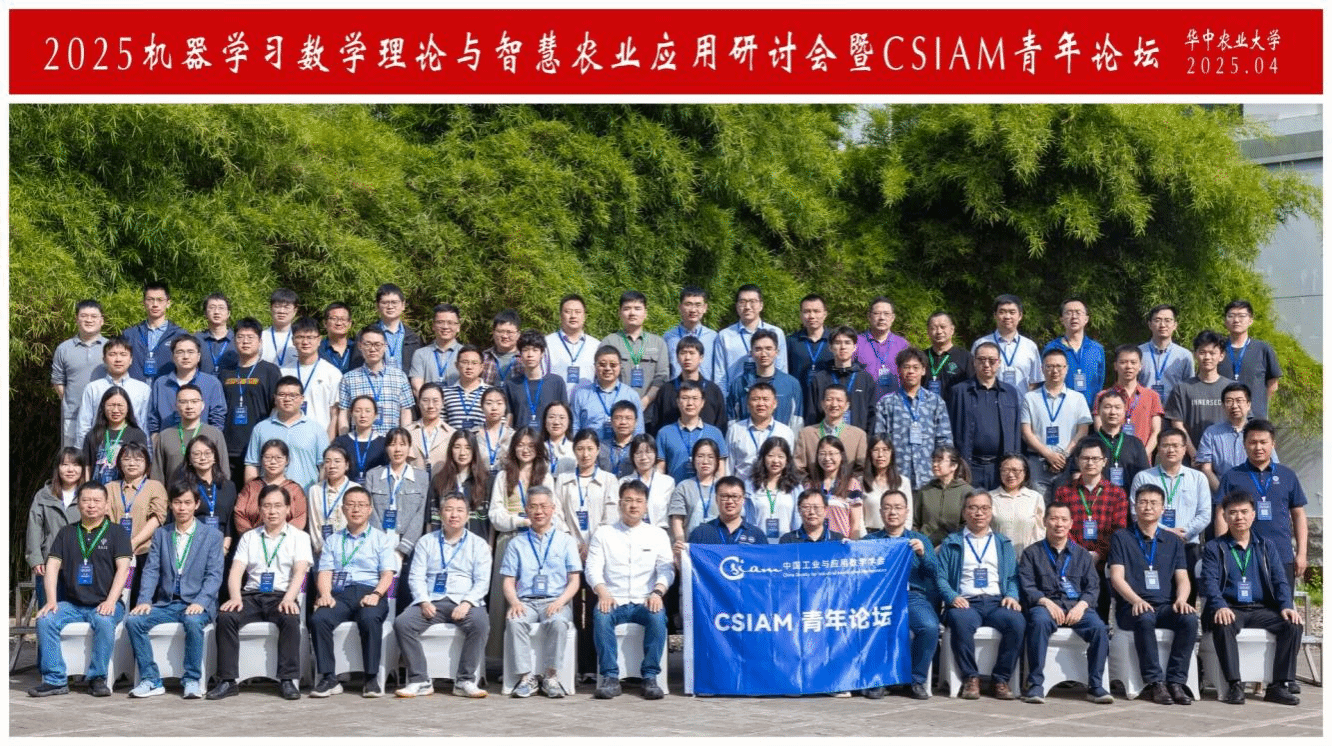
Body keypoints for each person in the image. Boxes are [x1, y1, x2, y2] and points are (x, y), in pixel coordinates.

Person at [206, 484, 313, 701]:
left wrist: (289, 598)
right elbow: (236, 571)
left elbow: (300, 572)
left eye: (277, 506)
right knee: (226, 617)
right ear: (260, 509)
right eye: (267, 506)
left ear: (288, 509)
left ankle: (287, 680)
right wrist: (235, 597)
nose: (272, 511)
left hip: (281, 595)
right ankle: (227, 680)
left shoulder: (299, 537)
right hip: (251, 596)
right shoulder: (249, 537)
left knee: (290, 618)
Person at [28, 481, 132, 698]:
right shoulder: (67, 532)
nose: (91, 505)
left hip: (105, 603)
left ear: (106, 505)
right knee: (45, 620)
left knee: (104, 621)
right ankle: (55, 679)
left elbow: (123, 570)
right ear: (79, 504)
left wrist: (111, 601)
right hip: (73, 604)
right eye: (86, 500)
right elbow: (52, 566)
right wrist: (51, 601)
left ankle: (97, 678)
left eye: (96, 501)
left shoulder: (117, 532)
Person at [1200, 491, 1303, 706]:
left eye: (1244, 512)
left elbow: (1280, 580)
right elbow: (1209, 582)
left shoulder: (1266, 546)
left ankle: (1278, 686)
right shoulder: (1214, 548)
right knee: (1223, 623)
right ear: (1225, 517)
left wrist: (1286, 605)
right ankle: (1234, 685)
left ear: (1253, 515)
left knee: (1292, 624)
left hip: (1260, 609)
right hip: (1230, 608)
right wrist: (1219, 605)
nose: (1239, 517)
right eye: (1233, 513)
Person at [125, 482, 225, 699]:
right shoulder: (162, 534)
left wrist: (201, 601)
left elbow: (214, 575)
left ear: (196, 504)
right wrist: (144, 600)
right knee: (134, 621)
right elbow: (151, 571)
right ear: (170, 505)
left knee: (193, 621)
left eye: (187, 503)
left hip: (197, 603)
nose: (182, 508)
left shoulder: (212, 536)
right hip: (167, 603)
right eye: (177, 503)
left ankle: (191, 679)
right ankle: (151, 679)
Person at [1107, 484, 1199, 706]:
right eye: (1143, 502)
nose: (1147, 507)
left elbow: (1183, 578)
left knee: (1189, 619)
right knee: (1145, 617)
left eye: (1153, 503)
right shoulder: (1121, 537)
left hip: (1165, 606)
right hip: (1131, 607)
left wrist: (1181, 600)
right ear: (1135, 506)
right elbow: (1117, 577)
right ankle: (1155, 682)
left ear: (1162, 508)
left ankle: (1176, 681)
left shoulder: (1173, 541)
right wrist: (1136, 600)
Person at [394, 493, 492, 699]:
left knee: (480, 623)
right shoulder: (426, 542)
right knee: (403, 623)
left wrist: (467, 603)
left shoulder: (479, 544)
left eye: (459, 510)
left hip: (464, 601)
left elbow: (482, 581)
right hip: (432, 601)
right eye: (448, 510)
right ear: (440, 514)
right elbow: (416, 576)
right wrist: (423, 601)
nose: (454, 515)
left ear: (468, 515)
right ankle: (419, 680)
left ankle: (465, 680)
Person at [586, 480, 675, 700]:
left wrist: (658, 592)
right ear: (619, 504)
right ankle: (610, 677)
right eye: (628, 500)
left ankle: (650, 677)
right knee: (601, 616)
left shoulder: (658, 534)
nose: (633, 505)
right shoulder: (604, 533)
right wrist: (602, 591)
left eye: (638, 501)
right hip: (613, 598)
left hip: (645, 599)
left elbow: (667, 569)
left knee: (657, 617)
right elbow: (592, 568)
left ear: (646, 505)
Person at [1017, 502, 1112, 705]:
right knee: (1038, 622)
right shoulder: (1031, 553)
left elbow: (1092, 588)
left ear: (1071, 524)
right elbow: (1027, 586)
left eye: (1063, 519)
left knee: (1099, 628)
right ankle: (1035, 684)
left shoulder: (1082, 555)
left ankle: (1095, 686)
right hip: (1045, 606)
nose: (1058, 524)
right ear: (1045, 522)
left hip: (1076, 607)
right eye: (1053, 519)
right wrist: (1046, 602)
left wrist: (1081, 606)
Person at [309, 486, 398, 698]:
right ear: (343, 509)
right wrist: (325, 594)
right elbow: (325, 572)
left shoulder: (381, 539)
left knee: (370, 618)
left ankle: (371, 678)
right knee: (319, 619)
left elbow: (388, 574)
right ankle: (329, 678)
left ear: (369, 509)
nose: (356, 509)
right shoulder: (333, 540)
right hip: (340, 594)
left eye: (361, 505)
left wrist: (376, 594)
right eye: (350, 505)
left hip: (370, 592)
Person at [936, 489, 1024, 700]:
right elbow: (940, 577)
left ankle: (1000, 679)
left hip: (996, 602)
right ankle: (970, 678)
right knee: (960, 622)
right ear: (964, 512)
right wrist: (952, 597)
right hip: (966, 602)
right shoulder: (952, 542)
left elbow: (1013, 576)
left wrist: (1012, 595)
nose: (979, 513)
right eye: (973, 508)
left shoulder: (1003, 543)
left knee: (1017, 622)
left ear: (991, 512)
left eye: (984, 508)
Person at [863, 489, 946, 700]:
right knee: (873, 626)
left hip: (912, 596)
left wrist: (923, 554)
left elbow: (934, 573)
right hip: (880, 598)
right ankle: (879, 680)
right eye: (887, 508)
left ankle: (916, 680)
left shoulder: (919, 539)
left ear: (907, 512)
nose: (893, 512)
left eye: (898, 507)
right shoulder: (870, 540)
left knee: (929, 627)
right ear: (880, 512)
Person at [500, 485, 582, 698]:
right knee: (514, 621)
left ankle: (550, 677)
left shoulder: (566, 541)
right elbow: (508, 581)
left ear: (553, 508)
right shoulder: (516, 543)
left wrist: (561, 602)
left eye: (544, 506)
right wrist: (515, 602)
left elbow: (574, 580)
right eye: (533, 506)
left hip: (555, 599)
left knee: (558, 622)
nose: (539, 511)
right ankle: (526, 678)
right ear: (526, 510)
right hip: (525, 601)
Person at [1216, 420, 1308, 590]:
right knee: (1245, 602)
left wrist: (1302, 553)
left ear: (1273, 444)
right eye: (1252, 442)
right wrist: (1223, 551)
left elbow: (1299, 515)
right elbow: (1221, 515)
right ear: (1244, 445)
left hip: (1281, 554)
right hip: (1242, 554)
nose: (1258, 447)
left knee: (1282, 602)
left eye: (1263, 442)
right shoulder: (1232, 476)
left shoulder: (1287, 475)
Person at [1053, 437, 1130, 619]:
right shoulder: (1064, 492)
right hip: (1071, 561)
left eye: (1095, 459)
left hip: (1103, 562)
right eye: (1085, 458)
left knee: (1100, 614)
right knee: (1070, 611)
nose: (1090, 463)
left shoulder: (1117, 494)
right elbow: (1060, 526)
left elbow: (1118, 529)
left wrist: (1098, 554)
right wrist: (1080, 554)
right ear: (1077, 461)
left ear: (1104, 462)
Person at [1129, 428, 1212, 584]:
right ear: (1158, 449)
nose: (1171, 450)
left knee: (1187, 594)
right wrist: (1165, 532)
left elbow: (1205, 514)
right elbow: (1136, 513)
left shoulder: (1198, 478)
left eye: (1175, 445)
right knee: (1155, 592)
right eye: (1166, 445)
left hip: (1188, 545)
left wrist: (1185, 533)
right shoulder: (1143, 477)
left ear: (1184, 449)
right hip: (1152, 544)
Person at [873, 347, 953, 490]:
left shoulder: (935, 402)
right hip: (896, 478)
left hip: (929, 478)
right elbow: (879, 442)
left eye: (916, 367)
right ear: (899, 370)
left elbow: (944, 441)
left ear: (923, 370)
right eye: (906, 367)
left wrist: (943, 472)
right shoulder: (886, 403)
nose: (911, 371)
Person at [948, 341, 1022, 490]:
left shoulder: (1010, 392)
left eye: (992, 360)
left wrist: (1015, 463)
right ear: (974, 362)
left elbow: (1016, 432)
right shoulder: (959, 392)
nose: (986, 364)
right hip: (969, 466)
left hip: (1001, 467)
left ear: (999, 363)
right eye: (981, 360)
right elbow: (950, 430)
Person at [218, 318, 282, 489]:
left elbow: (277, 408)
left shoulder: (270, 371)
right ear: (234, 341)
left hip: (259, 446)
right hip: (229, 446)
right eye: (240, 337)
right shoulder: (226, 373)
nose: (245, 341)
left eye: (250, 337)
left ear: (260, 341)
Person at [1021, 348, 1092, 493]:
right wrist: (1048, 454)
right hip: (1037, 462)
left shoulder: (1078, 398)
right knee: (1039, 504)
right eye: (1050, 366)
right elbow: (1026, 432)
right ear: (1042, 368)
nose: (1055, 371)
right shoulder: (1030, 398)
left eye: (1059, 366)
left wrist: (1063, 456)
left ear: (1066, 369)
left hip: (1067, 462)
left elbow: (1083, 431)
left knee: (1065, 505)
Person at [105, 442, 168, 601]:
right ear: (119, 463)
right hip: (114, 553)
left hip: (145, 553)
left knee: (141, 600)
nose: (132, 463)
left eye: (138, 459)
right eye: (126, 459)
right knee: (117, 598)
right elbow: (104, 519)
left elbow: (157, 518)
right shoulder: (109, 488)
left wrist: (133, 543)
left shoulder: (155, 486)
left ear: (147, 463)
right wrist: (120, 545)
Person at [25, 449, 87, 608]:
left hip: (80, 564)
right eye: (65, 464)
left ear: (82, 469)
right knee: (49, 610)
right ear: (57, 468)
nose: (70, 469)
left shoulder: (89, 495)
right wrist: (35, 558)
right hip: (49, 562)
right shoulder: (43, 495)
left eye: (76, 465)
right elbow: (34, 527)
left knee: (78, 613)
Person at [244, 375, 329, 488]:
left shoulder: (316, 430)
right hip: (269, 495)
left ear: (302, 399)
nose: (287, 399)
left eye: (293, 395)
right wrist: (254, 494)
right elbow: (252, 465)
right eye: (282, 395)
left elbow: (324, 467)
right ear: (275, 398)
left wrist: (320, 494)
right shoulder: (261, 428)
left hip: (305, 494)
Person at [364, 428, 430, 572]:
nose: (397, 449)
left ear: (409, 447)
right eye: (393, 444)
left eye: (402, 444)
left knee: (404, 584)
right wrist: (380, 543)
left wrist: (403, 549)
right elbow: (369, 510)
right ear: (386, 448)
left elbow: (420, 515)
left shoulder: (422, 477)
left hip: (409, 543)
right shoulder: (373, 475)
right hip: (378, 542)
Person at [1196, 383, 1273, 498]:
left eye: (1239, 400)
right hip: (1222, 498)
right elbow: (1206, 468)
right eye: (1229, 401)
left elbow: (1272, 466)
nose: (1234, 405)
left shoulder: (1260, 432)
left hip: (1256, 497)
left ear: (1248, 404)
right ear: (1223, 406)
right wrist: (1225, 495)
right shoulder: (1211, 433)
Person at [336, 326, 416, 436]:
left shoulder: (399, 377)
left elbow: (406, 412)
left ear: (385, 346)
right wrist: (344, 440)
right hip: (360, 441)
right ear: (360, 346)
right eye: (367, 344)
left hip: (391, 441)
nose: (372, 349)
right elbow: (344, 413)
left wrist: (404, 439)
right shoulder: (348, 378)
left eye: (377, 345)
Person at [1164, 329, 1229, 461]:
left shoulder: (1231, 388)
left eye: (1212, 353)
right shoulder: (1182, 388)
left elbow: (1240, 423)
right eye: (1202, 352)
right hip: (1190, 460)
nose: (1207, 357)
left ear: (1221, 356)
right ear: (1195, 354)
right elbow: (1177, 424)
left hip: (1224, 458)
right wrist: (1194, 454)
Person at [712, 284, 788, 394]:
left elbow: (781, 368)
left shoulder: (776, 333)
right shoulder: (724, 335)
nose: (747, 306)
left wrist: (778, 396)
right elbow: (720, 375)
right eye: (742, 302)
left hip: (768, 397)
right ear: (736, 306)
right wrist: (723, 400)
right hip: (736, 397)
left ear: (761, 305)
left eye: (753, 301)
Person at [645, 335, 727, 435]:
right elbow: (656, 424)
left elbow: (721, 425)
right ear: (677, 358)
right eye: (683, 353)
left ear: (701, 358)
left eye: (692, 353)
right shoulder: (666, 390)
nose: (687, 358)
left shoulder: (713, 390)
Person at [75, 337, 152, 445]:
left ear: (131, 359)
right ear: (104, 359)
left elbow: (145, 426)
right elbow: (84, 425)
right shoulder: (93, 388)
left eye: (123, 354)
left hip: (132, 450)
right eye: (112, 354)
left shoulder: (143, 389)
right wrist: (82, 452)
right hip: (99, 447)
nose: (118, 359)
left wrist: (147, 451)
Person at [52, 299, 108, 447]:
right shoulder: (63, 348)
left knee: (103, 457)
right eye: (84, 316)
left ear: (101, 321)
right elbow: (58, 381)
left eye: (94, 316)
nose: (89, 320)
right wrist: (70, 402)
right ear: (76, 319)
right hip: (72, 416)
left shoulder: (111, 348)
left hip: (105, 416)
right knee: (72, 457)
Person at [144, 336, 227, 434]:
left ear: (198, 356)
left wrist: (211, 438)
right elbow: (153, 416)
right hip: (168, 439)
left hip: (202, 439)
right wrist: (155, 436)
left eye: (190, 352)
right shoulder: (161, 383)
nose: (186, 357)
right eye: (180, 352)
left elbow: (218, 416)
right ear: (173, 357)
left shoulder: (212, 383)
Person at [1094, 345, 1165, 457]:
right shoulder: (1102, 396)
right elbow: (1099, 428)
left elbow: (1156, 431)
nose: (1128, 366)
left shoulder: (1152, 396)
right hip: (1111, 457)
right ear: (1115, 366)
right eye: (1123, 362)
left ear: (1140, 366)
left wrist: (1143, 455)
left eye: (1133, 362)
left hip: (1142, 458)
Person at [151, 384, 229, 486]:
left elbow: (224, 470)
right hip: (174, 494)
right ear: (176, 406)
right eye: (183, 402)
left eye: (194, 401)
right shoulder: (165, 436)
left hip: (208, 494)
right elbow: (157, 475)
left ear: (202, 405)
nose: (189, 406)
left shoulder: (214, 434)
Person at [603, 290, 669, 411]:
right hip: (616, 409)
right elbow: (602, 376)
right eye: (627, 308)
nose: (632, 313)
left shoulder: (658, 343)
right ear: (620, 313)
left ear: (645, 313)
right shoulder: (609, 342)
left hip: (649, 410)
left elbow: (662, 377)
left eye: (637, 308)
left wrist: (646, 401)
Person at [725, 329, 803, 430]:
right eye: (758, 349)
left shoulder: (791, 384)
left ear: (776, 352)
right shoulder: (739, 383)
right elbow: (731, 420)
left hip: (780, 438)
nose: (763, 354)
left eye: (768, 349)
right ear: (751, 353)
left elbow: (796, 421)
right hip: (747, 437)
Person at [282, 317, 343, 440]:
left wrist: (328, 445)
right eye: (300, 337)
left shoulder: (332, 373)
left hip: (319, 439)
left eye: (310, 337)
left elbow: (335, 414)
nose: (305, 342)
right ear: (293, 340)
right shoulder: (283, 372)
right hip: (288, 438)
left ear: (319, 340)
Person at [806, 325, 876, 431]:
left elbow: (872, 414)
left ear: (855, 347)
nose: (843, 347)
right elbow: (811, 413)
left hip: (857, 437)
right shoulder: (819, 379)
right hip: (826, 437)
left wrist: (867, 439)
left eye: (847, 343)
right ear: (830, 347)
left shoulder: (865, 379)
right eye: (838, 343)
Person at [657, 381, 729, 482]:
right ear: (678, 402)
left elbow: (721, 470)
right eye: (685, 398)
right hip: (675, 489)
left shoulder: (715, 433)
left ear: (702, 402)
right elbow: (660, 470)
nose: (690, 403)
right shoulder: (664, 433)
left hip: (707, 490)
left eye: (695, 398)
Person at [725, 383, 796, 484]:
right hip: (742, 488)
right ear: (748, 403)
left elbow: (788, 467)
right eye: (755, 399)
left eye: (765, 399)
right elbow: (728, 466)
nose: (761, 403)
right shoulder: (735, 430)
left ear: (775, 403)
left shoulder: (785, 432)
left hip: (775, 488)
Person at [1221, 300, 1282, 419]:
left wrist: (1259, 406)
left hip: (1255, 419)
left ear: (1250, 320)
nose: (1236, 320)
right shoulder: (1217, 349)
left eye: (1242, 316)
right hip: (1223, 418)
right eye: (1231, 316)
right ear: (1225, 321)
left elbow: (1273, 385)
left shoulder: (1263, 349)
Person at [571, 345, 644, 443]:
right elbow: (574, 428)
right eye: (602, 364)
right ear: (595, 366)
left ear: (620, 366)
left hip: (623, 450)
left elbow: (639, 430)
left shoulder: (631, 395)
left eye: (613, 365)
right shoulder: (581, 395)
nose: (607, 368)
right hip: (590, 450)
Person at [429, 430, 493, 541]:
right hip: (445, 544)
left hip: (477, 545)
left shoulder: (486, 481)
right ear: (451, 450)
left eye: (468, 447)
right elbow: (431, 519)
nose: (462, 453)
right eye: (457, 447)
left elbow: (491, 522)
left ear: (474, 451)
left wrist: (490, 545)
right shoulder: (439, 480)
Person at [1042, 298, 1105, 408]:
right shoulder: (1052, 348)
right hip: (1060, 409)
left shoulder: (1096, 349)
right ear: (1062, 319)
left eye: (1078, 313)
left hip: (1090, 411)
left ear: (1086, 319)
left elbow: (1100, 382)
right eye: (1069, 313)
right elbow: (1045, 380)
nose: (1074, 317)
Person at [971, 294, 1042, 392]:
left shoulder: (1030, 346)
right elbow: (972, 376)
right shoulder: (980, 344)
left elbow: (1035, 381)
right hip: (988, 399)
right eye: (1002, 312)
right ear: (995, 315)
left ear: (1020, 316)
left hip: (1021, 401)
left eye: (1012, 312)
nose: (1007, 317)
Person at [234, 439, 309, 533]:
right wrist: (253, 536)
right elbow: (239, 514)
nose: (273, 462)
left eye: (278, 458)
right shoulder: (251, 487)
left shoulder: (294, 489)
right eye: (268, 457)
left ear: (286, 460)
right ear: (261, 460)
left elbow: (300, 517)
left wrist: (282, 536)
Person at [1085, 389, 1151, 492]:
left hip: (1128, 499)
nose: (1113, 412)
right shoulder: (1087, 443)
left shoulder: (1135, 444)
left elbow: (1144, 477)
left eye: (1117, 407)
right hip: (1097, 499)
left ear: (1124, 411)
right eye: (1107, 407)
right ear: (1098, 411)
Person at [182, 436, 239, 554]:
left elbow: (231, 520)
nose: (203, 458)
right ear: (189, 459)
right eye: (197, 454)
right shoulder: (184, 487)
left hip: (223, 548)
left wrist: (225, 547)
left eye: (207, 453)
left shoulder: (228, 486)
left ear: (215, 457)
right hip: (192, 548)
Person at [798, 384, 868, 479]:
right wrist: (807, 483)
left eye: (839, 400)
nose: (834, 404)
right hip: (815, 486)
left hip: (846, 486)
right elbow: (798, 467)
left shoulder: (858, 435)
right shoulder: (806, 434)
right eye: (829, 399)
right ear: (822, 404)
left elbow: (862, 468)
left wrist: (853, 481)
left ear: (847, 405)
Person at [81, 386, 149, 484]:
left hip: (126, 489)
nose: (115, 410)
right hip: (97, 490)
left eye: (120, 405)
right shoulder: (93, 435)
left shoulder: (138, 435)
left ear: (128, 407)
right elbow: (87, 467)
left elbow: (143, 467)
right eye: (111, 405)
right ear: (103, 407)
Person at [505, 331, 568, 431]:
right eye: (525, 350)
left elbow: (564, 415)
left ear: (542, 353)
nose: (530, 355)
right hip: (521, 438)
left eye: (535, 350)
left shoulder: (556, 382)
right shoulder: (511, 384)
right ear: (520, 354)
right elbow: (509, 417)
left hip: (548, 438)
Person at [127, 281, 188, 382]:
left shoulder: (180, 335)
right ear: (143, 303)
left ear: (168, 303)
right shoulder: (130, 335)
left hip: (167, 388)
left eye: (160, 300)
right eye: (150, 300)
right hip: (136, 389)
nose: (155, 304)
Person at [804, 436, 864, 538]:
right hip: (815, 544)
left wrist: (852, 546)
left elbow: (855, 525)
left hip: (841, 544)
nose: (827, 458)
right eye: (822, 454)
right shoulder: (810, 485)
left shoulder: (851, 484)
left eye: (831, 454)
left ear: (841, 456)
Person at [668, 438, 725, 544]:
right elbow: (677, 519)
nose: (705, 461)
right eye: (700, 456)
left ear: (717, 460)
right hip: (692, 545)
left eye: (710, 457)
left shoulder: (724, 486)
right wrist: (681, 543)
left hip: (720, 547)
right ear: (693, 460)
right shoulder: (684, 487)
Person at [681, 476, 768, 545]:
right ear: (716, 499)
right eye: (724, 496)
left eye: (735, 496)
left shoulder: (756, 535)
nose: (730, 501)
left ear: (743, 500)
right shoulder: (701, 533)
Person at [856, 296, 910, 403]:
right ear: (869, 316)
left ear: (893, 318)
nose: (882, 318)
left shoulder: (902, 345)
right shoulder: (856, 342)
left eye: (886, 314)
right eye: (877, 313)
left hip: (895, 404)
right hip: (864, 403)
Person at [1138, 304, 1195, 405]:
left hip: (1174, 411)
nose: (1162, 325)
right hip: (1143, 409)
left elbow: (1189, 389)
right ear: (1150, 324)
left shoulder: (1184, 356)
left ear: (1175, 325)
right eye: (1157, 320)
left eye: (1167, 320)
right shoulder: (1138, 353)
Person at [307, 444, 358, 555]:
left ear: (347, 465)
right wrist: (322, 549)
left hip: (351, 551)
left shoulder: (356, 489)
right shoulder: (315, 490)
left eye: (337, 461)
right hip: (323, 552)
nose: (332, 466)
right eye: (327, 461)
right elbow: (314, 523)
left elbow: (359, 523)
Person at [917, 444, 974, 545]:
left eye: (939, 461)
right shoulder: (925, 491)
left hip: (955, 546)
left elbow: (970, 524)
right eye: (933, 461)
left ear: (954, 466)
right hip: (926, 547)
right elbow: (915, 522)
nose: (935, 464)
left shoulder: (967, 491)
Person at [989, 454, 1045, 556]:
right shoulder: (990, 498)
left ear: (1025, 472)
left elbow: (1040, 533)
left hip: (1027, 558)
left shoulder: (1035, 498)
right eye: (1005, 470)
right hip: (998, 557)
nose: (1010, 475)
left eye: (1015, 470)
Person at [543, 294, 598, 394]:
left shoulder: (595, 345)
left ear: (584, 316)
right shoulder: (547, 343)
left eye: (578, 312)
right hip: (554, 401)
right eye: (568, 312)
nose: (573, 316)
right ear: (560, 316)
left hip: (587, 402)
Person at [747, 437, 800, 541]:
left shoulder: (795, 487)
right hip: (758, 544)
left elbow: (799, 519)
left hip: (786, 544)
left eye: (781, 456)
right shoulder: (750, 485)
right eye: (770, 456)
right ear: (763, 458)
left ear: (787, 460)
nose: (775, 460)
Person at [663, 286, 717, 381]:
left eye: (698, 305)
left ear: (705, 308)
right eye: (688, 304)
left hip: (705, 389)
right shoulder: (668, 337)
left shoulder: (713, 338)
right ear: (680, 307)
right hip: (676, 388)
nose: (693, 310)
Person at [861, 435, 913, 534]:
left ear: (891, 453)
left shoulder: (904, 482)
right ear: (869, 454)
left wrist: (901, 538)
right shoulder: (860, 482)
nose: (880, 455)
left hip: (897, 536)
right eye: (875, 450)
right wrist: (864, 539)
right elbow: (858, 519)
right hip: (870, 536)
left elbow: (908, 516)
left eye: (885, 450)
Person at [623, 434, 675, 529]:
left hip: (660, 532)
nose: (644, 457)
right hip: (631, 532)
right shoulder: (624, 482)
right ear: (632, 456)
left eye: (648, 452)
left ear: (655, 454)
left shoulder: (668, 482)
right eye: (638, 453)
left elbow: (672, 516)